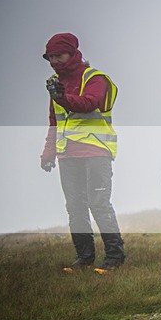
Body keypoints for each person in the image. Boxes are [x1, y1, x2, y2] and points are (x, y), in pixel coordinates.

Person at [40, 33, 125, 274]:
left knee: (99, 204)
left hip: (96, 151)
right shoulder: (55, 84)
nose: (54, 61)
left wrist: (62, 98)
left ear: (72, 53)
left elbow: (90, 103)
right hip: (67, 155)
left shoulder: (95, 78)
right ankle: (84, 259)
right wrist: (48, 152)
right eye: (50, 57)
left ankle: (114, 258)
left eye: (59, 55)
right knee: (75, 207)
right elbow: (54, 121)